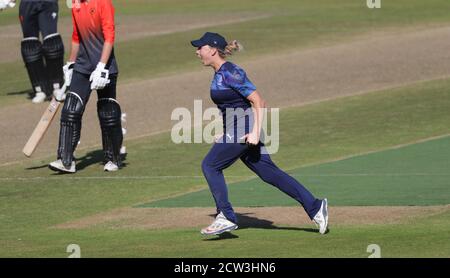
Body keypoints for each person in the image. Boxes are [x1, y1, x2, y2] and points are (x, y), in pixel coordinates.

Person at [190, 32, 329, 236]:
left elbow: (258, 101)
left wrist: (254, 132)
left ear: (211, 49)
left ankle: (226, 216)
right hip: (237, 128)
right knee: (269, 173)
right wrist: (225, 131)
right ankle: (315, 207)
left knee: (210, 165)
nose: (197, 51)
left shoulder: (231, 72)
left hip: (245, 129)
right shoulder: (219, 73)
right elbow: (233, 105)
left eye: (200, 47)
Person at [49, 0, 123, 173]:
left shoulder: (103, 3)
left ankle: (113, 157)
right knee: (71, 109)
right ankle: (66, 160)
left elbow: (109, 36)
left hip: (104, 67)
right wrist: (70, 63)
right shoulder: (75, 3)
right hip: (83, 65)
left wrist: (101, 66)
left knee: (108, 113)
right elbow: (77, 36)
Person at [16, 0, 65, 103]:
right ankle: (40, 89)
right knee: (30, 45)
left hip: (47, 2)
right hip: (27, 3)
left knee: (52, 43)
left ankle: (57, 86)